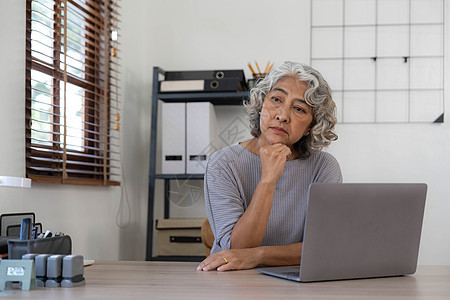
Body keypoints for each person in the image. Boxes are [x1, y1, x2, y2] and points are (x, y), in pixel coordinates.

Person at [197, 61, 342, 272]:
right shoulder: (223, 163)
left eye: (299, 108)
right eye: (276, 99)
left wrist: (259, 255)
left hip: (300, 283)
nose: (282, 115)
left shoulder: (323, 167)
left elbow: (323, 248)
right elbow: (237, 250)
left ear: (311, 126)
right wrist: (268, 179)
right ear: (261, 104)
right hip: (234, 282)